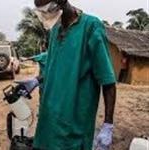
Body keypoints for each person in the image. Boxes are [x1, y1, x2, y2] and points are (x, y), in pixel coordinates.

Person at [19, 0, 117, 149]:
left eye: (47, 10)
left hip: (73, 126)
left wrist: (108, 124)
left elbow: (107, 80)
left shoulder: (90, 27)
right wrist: (36, 80)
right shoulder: (55, 32)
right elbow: (55, 69)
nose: (45, 16)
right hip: (48, 123)